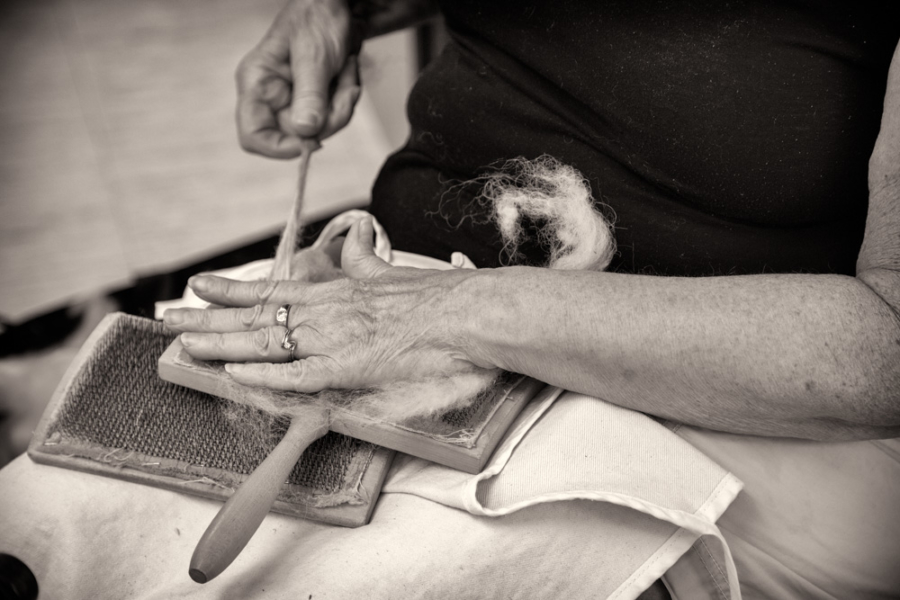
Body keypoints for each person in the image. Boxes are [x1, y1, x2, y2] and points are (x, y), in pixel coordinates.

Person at [163, 0, 900, 597]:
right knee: (96, 502)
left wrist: (461, 311)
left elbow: (886, 352)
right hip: (407, 293)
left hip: (743, 409)